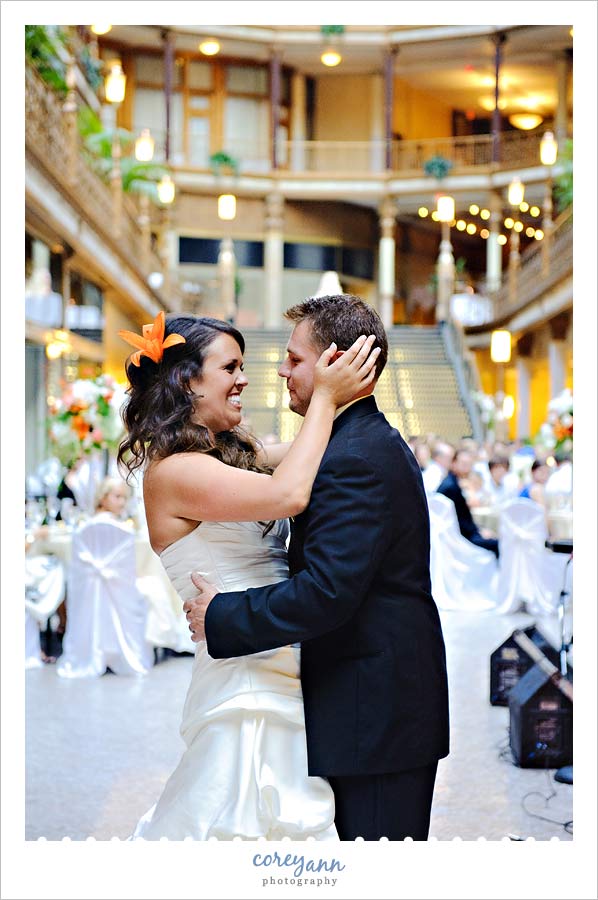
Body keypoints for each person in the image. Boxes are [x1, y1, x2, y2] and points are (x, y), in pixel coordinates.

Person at [185, 294, 450, 842]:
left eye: (294, 359)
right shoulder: (346, 442)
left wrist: (222, 617)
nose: (279, 370)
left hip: (375, 710)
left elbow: (327, 592)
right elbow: (266, 465)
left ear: (335, 363)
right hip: (364, 703)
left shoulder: (354, 456)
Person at [117, 310, 380, 840]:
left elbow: (308, 458)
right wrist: (325, 398)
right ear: (187, 380)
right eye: (230, 368)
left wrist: (345, 395)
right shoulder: (176, 471)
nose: (244, 380)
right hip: (247, 680)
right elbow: (288, 493)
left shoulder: (224, 455)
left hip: (276, 654)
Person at [437, 448, 499, 557]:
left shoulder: (453, 482)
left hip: (461, 533)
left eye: (469, 464)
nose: (468, 468)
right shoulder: (451, 487)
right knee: (498, 544)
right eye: (464, 464)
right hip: (460, 538)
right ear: (454, 463)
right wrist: (479, 533)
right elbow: (460, 521)